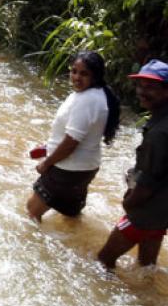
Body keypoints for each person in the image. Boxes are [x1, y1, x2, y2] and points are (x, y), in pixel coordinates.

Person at [25, 51, 120, 222]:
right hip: (84, 168)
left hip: (67, 169)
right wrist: (50, 145)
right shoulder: (98, 95)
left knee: (32, 212)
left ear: (95, 76)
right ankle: (76, 247)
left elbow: (71, 142)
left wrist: (46, 163)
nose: (76, 77)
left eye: (84, 73)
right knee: (70, 216)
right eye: (74, 71)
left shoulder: (87, 100)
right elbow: (77, 134)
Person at [98, 59, 168, 270]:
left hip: (145, 213)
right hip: (161, 215)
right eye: (140, 85)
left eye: (151, 87)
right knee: (147, 267)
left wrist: (129, 203)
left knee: (103, 260)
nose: (141, 92)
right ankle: (146, 299)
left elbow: (147, 184)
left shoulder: (159, 133)